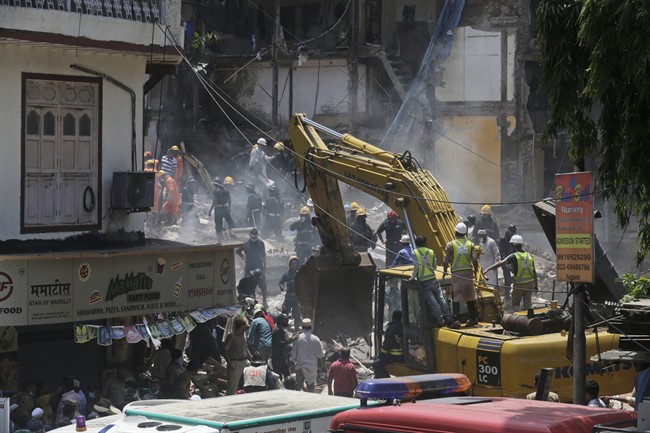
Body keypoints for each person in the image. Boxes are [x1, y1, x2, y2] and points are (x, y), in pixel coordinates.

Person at [484, 235, 538, 312]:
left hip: (520, 284)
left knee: (515, 304)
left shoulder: (514, 256)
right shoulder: (528, 255)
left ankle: (519, 321)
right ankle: (529, 319)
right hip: (530, 284)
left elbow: (501, 263)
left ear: (514, 245)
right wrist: (536, 285)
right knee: (528, 304)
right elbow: (534, 272)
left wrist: (488, 269)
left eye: (511, 245)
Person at [442, 222, 480, 328]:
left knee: (456, 297)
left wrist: (445, 272)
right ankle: (473, 319)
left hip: (457, 274)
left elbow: (445, 261)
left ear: (455, 232)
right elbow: (475, 259)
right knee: (470, 296)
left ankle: (456, 320)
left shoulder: (451, 244)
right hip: (468, 272)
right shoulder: (470, 244)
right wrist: (475, 271)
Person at [411, 235, 452, 327]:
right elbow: (434, 266)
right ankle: (449, 317)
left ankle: (440, 320)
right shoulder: (431, 251)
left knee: (432, 302)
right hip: (433, 279)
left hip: (424, 281)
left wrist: (413, 277)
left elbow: (416, 267)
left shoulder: (414, 253)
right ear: (424, 243)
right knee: (441, 299)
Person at [236, 228, 268, 307]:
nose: (254, 238)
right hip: (249, 267)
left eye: (255, 236)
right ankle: (248, 300)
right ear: (250, 236)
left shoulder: (261, 243)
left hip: (259, 266)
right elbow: (238, 251)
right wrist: (243, 257)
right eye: (252, 236)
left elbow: (263, 255)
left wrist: (265, 265)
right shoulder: (246, 244)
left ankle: (264, 300)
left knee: (263, 284)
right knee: (248, 284)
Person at [291, 318, 325, 393]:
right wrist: (324, 366)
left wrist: (292, 365)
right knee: (311, 388)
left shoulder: (298, 338)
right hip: (311, 368)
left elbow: (293, 354)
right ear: (311, 327)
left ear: (302, 327)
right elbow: (321, 355)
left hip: (300, 367)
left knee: (298, 389)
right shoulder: (316, 339)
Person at [223, 316, 251, 395]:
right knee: (232, 386)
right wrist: (229, 363)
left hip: (244, 361)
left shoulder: (243, 335)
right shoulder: (231, 336)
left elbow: (246, 348)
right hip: (235, 363)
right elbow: (225, 350)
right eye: (245, 325)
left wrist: (251, 359)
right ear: (241, 326)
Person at [373, 310, 404, 378]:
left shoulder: (391, 328)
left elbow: (388, 344)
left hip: (394, 356)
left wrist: (381, 353)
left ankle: (386, 380)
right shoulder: (403, 327)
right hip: (403, 356)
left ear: (393, 317)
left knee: (376, 364)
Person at [208, 177, 236, 244]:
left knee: (218, 226)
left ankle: (219, 241)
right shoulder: (226, 190)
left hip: (218, 209)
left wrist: (210, 210)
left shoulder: (216, 190)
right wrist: (229, 207)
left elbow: (215, 201)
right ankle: (235, 234)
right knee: (230, 222)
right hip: (225, 208)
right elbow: (229, 200)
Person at [279, 256, 301, 326]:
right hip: (288, 298)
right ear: (290, 265)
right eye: (292, 264)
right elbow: (281, 282)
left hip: (297, 299)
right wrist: (283, 288)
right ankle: (282, 328)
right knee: (284, 314)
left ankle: (297, 331)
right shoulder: (286, 274)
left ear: (298, 264)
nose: (294, 265)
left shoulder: (300, 273)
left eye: (295, 263)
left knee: (297, 316)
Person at [498, 224, 517, 302]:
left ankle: (515, 294)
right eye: (511, 233)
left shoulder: (514, 240)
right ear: (508, 232)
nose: (512, 234)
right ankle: (507, 295)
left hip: (513, 262)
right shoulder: (503, 240)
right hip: (506, 262)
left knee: (516, 278)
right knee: (507, 279)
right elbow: (502, 252)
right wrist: (506, 262)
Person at [271, 314, 291, 380]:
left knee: (288, 377)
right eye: (285, 320)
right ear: (280, 321)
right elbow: (279, 344)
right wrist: (291, 340)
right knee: (278, 379)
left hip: (282, 358)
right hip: (277, 359)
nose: (287, 321)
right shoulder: (277, 331)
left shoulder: (281, 330)